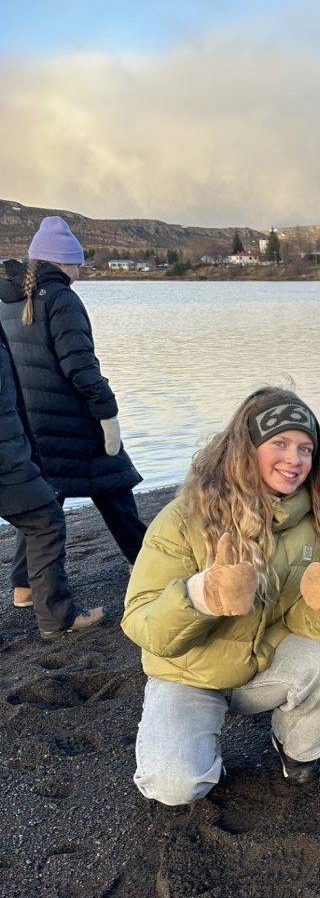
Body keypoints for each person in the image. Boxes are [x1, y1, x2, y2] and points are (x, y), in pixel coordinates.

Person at [121, 387, 320, 805]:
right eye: (280, 444)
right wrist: (202, 596)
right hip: (190, 672)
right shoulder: (184, 517)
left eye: (306, 449)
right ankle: (198, 751)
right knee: (174, 786)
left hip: (262, 663)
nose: (294, 460)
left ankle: (297, 748)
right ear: (245, 448)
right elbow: (141, 623)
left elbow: (309, 625)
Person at [0, 215, 146, 610]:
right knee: (115, 486)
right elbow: (80, 366)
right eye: (77, 263)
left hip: (32, 422)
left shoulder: (10, 299)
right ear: (63, 263)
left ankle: (24, 585)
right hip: (75, 420)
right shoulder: (62, 299)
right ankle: (147, 563)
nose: (80, 270)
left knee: (42, 499)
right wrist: (108, 411)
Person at [0, 322, 104, 637]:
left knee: (42, 518)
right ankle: (56, 618)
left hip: (16, 441)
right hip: (7, 451)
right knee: (45, 520)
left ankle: (30, 595)